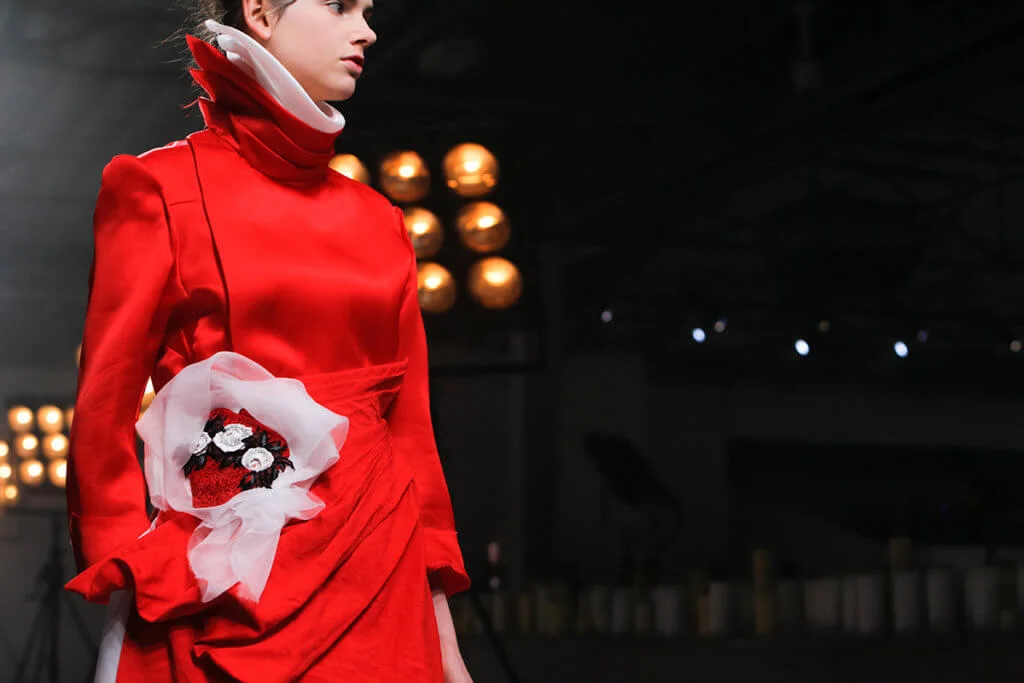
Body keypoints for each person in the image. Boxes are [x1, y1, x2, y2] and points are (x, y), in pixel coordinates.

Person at [62, 0, 474, 680]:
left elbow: (411, 432)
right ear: (258, 10)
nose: (367, 30)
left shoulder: (380, 221)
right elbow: (104, 403)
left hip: (381, 572)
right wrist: (130, 558)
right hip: (223, 576)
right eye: (339, 5)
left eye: (367, 10)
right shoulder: (157, 186)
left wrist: (442, 625)